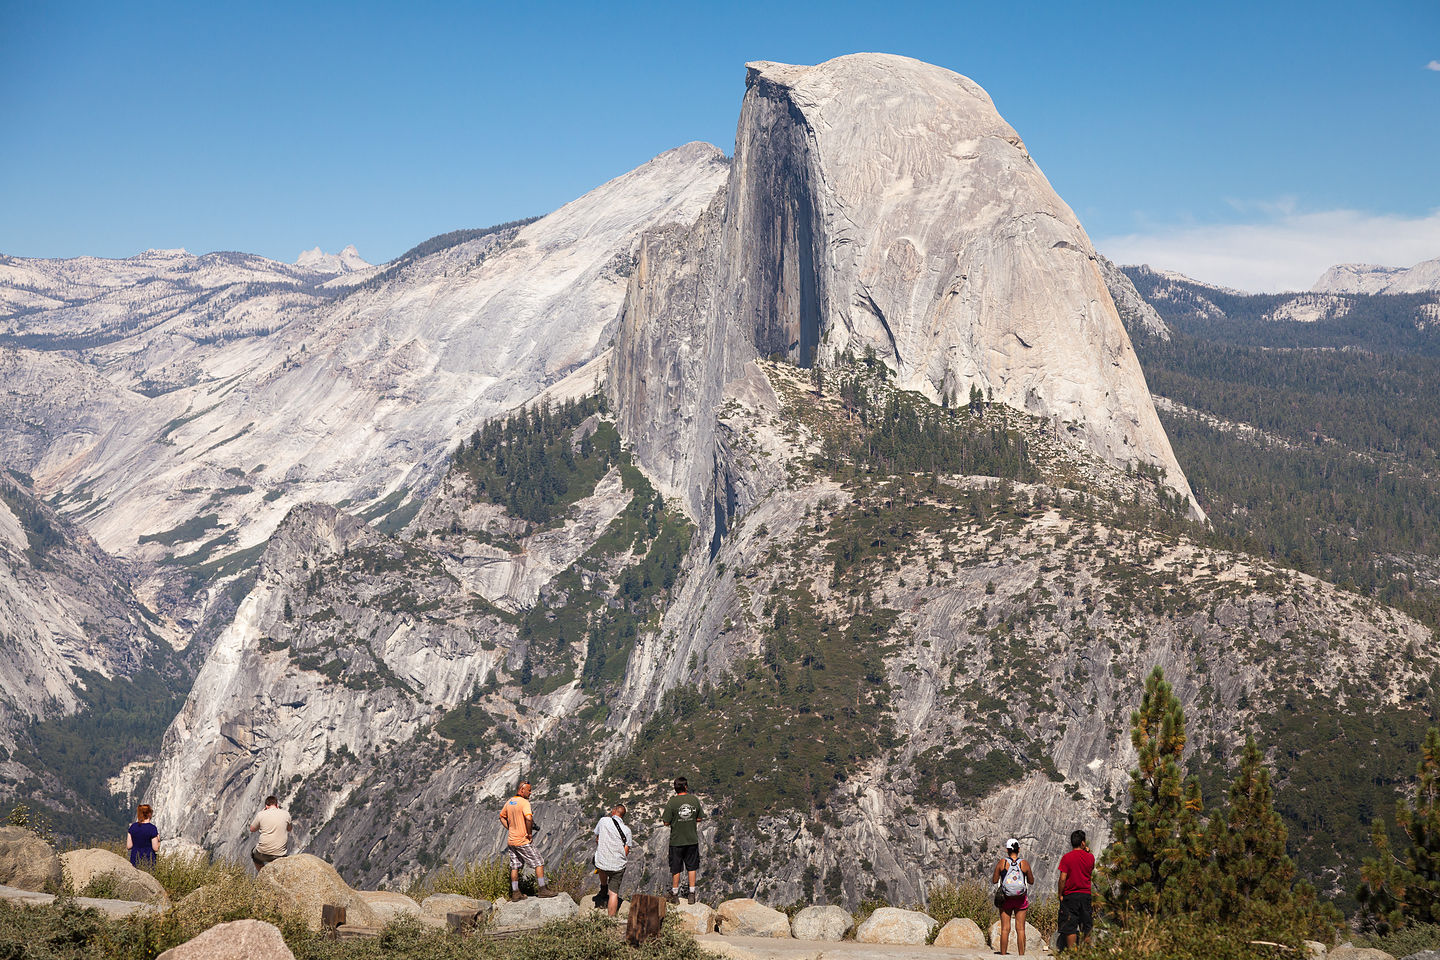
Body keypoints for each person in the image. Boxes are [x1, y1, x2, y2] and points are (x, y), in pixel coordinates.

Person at [499, 781, 556, 900]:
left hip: (511, 840)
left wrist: (510, 828)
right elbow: (529, 818)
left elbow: (501, 816)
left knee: (515, 866)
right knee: (539, 862)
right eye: (529, 790)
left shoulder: (510, 801)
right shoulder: (524, 802)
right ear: (521, 790)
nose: (530, 793)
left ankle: (515, 892)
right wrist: (529, 833)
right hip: (522, 841)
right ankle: (542, 889)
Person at [660, 776, 705, 904]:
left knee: (676, 868)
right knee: (691, 867)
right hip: (692, 839)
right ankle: (692, 894)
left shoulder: (672, 802)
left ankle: (675, 894)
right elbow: (699, 818)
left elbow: (666, 821)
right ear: (686, 786)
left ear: (675, 788)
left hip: (676, 841)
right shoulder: (694, 800)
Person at [991, 837, 1035, 956]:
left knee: (1005, 928)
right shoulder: (1024, 863)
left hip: (1006, 899)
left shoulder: (1002, 862)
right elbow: (1031, 881)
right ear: (1019, 849)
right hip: (1020, 899)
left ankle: (1003, 955)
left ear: (1007, 850)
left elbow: (995, 880)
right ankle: (1021, 956)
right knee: (1020, 929)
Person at [1056, 829, 1095, 952]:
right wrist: (1086, 851)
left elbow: (1062, 878)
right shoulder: (1090, 857)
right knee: (1086, 927)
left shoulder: (1067, 858)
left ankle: (1073, 953)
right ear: (1083, 843)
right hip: (1085, 895)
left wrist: (1060, 894)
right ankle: (1086, 954)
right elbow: (1090, 869)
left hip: (1070, 896)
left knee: (1070, 927)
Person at [592, 802, 633, 917]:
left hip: (602, 863)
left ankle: (603, 886)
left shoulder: (603, 821)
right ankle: (611, 919)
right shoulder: (627, 830)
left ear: (614, 811)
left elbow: (597, 838)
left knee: (597, 861)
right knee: (613, 894)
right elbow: (626, 850)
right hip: (618, 866)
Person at [248, 795, 292, 872]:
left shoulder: (261, 814)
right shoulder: (286, 814)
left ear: (266, 806)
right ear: (277, 805)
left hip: (262, 853)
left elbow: (252, 829)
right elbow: (289, 829)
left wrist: (262, 814)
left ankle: (263, 874)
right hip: (280, 854)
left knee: (254, 855)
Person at [126, 804, 159, 869]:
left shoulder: (133, 827)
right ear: (149, 814)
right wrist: (158, 840)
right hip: (148, 860)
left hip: (135, 859)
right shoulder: (152, 828)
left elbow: (129, 846)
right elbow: (155, 848)